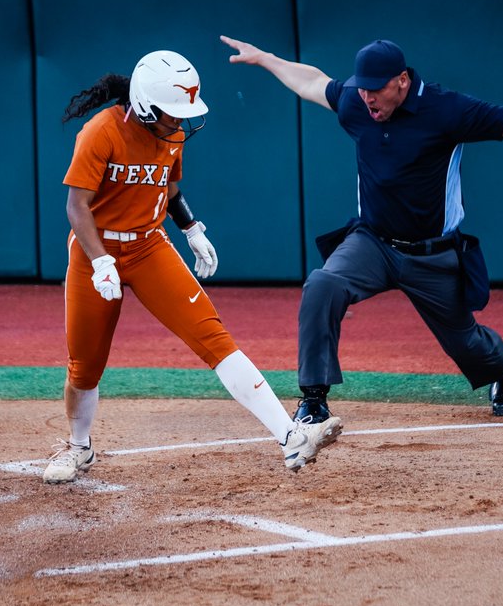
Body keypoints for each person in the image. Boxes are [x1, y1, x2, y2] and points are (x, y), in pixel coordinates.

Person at [220, 35, 503, 422]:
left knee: (466, 342)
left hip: (433, 254)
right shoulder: (357, 101)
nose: (367, 97)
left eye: (376, 89)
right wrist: (266, 58)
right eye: (362, 88)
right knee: (323, 284)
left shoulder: (446, 110)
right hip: (373, 243)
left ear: (402, 80)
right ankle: (313, 400)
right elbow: (312, 82)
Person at [44, 49, 342, 483]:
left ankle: (291, 437)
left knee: (213, 337)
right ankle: (78, 447)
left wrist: (190, 228)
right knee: (84, 366)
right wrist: (100, 260)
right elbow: (77, 206)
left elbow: (168, 185)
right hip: (96, 250)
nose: (181, 121)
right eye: (173, 111)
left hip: (148, 246)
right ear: (146, 105)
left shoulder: (173, 133)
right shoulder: (101, 131)